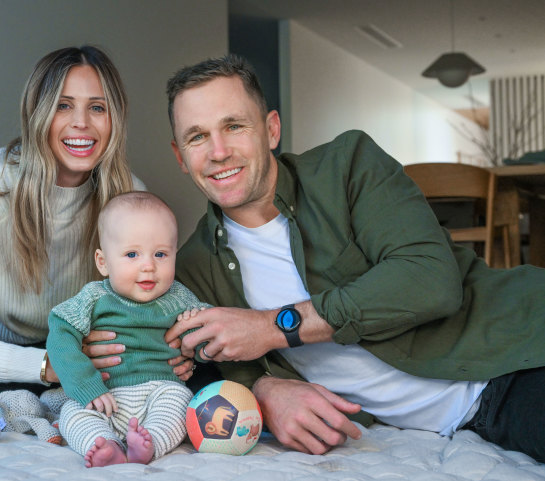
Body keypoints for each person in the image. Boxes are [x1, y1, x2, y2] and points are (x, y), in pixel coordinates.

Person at [164, 54, 545, 462]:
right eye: (197, 137)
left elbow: (430, 279)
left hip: (514, 354)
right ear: (180, 157)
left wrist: (275, 326)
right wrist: (263, 389)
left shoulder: (347, 166)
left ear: (271, 129)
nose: (218, 152)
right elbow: (191, 362)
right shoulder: (189, 266)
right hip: (461, 422)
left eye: (234, 126)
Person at [0, 46, 195, 394]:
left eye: (97, 107)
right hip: (14, 362)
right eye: (63, 105)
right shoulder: (2, 183)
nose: (81, 123)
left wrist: (172, 349)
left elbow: (148, 301)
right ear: (36, 112)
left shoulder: (129, 196)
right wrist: (50, 364)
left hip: (93, 366)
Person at [47, 191, 209, 467]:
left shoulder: (180, 298)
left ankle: (149, 444)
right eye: (132, 254)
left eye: (160, 254)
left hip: (160, 391)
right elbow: (60, 334)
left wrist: (198, 327)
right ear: (103, 262)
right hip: (103, 395)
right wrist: (87, 386)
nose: (148, 266)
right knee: (72, 413)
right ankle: (104, 445)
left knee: (182, 402)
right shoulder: (94, 297)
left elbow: (209, 336)